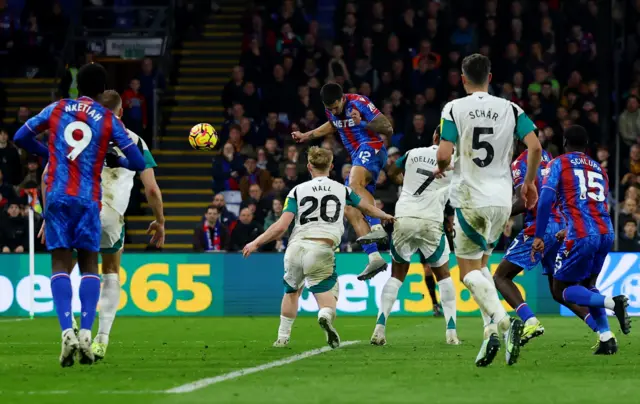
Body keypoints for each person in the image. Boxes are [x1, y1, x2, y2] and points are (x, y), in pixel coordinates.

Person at [13, 63, 146, 367]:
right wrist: (115, 156)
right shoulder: (109, 119)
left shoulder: (58, 107)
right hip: (88, 198)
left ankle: (66, 332)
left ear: (78, 88)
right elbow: (138, 161)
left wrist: (49, 153)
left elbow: (21, 136)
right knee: (89, 264)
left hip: (58, 196)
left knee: (60, 263)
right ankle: (86, 332)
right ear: (102, 91)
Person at [436, 53, 542, 367]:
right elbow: (535, 147)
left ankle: (502, 319)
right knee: (483, 267)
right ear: (490, 78)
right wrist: (529, 183)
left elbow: (443, 153)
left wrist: (444, 166)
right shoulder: (511, 108)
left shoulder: (454, 108)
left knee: (468, 273)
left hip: (469, 198)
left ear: (463, 78)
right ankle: (489, 332)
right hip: (501, 202)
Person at [242, 147, 394, 348]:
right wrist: (385, 216)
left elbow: (280, 227)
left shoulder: (296, 191)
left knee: (291, 292)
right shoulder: (343, 190)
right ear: (331, 166)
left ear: (308, 166)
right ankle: (324, 316)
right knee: (328, 303)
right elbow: (365, 207)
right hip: (322, 248)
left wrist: (255, 243)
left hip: (295, 247)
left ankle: (282, 338)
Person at [532, 125, 631, 355]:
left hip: (581, 233)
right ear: (586, 146)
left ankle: (611, 303)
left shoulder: (558, 163)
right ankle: (606, 338)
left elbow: (546, 198)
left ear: (565, 142)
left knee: (561, 290)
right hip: (606, 232)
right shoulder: (599, 168)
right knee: (589, 285)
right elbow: (595, 203)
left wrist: (539, 235)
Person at [494, 147, 599, 347]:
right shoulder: (549, 158)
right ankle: (602, 331)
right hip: (562, 226)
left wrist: (500, 213)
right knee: (559, 291)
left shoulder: (519, 164)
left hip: (542, 227)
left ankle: (530, 321)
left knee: (501, 276)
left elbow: (526, 201)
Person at [292, 83, 394, 281]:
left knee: (352, 187)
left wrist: (362, 122)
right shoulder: (331, 109)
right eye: (329, 109)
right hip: (357, 156)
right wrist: (306, 135)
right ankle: (374, 257)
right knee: (350, 207)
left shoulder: (359, 103)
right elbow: (332, 125)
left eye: (336, 107)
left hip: (371, 147)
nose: (334, 111)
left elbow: (387, 128)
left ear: (342, 98)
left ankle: (377, 228)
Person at [91, 90, 164, 361]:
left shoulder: (79, 134)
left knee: (71, 268)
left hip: (79, 210)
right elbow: (152, 190)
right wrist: (160, 221)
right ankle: (102, 338)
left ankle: (74, 329)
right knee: (110, 271)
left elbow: (52, 172)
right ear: (121, 112)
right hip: (109, 216)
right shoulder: (134, 140)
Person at [372, 127, 459, 346]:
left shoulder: (412, 153)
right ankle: (451, 332)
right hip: (431, 220)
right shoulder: (457, 162)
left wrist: (404, 181)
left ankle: (380, 327)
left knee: (396, 275)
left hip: (404, 216)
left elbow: (391, 171)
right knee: (444, 277)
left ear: (434, 136)